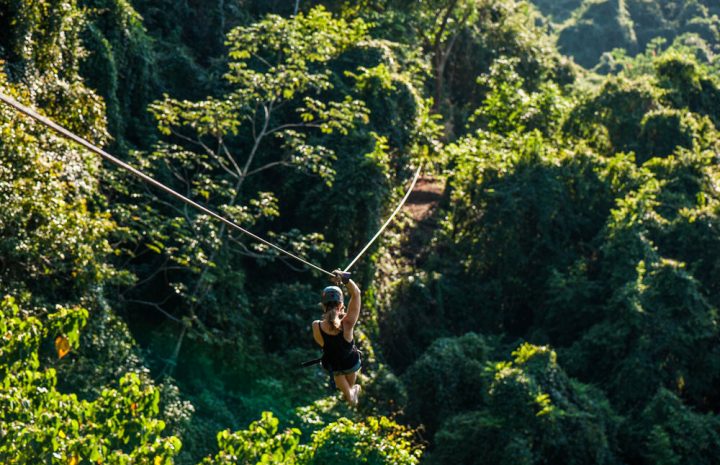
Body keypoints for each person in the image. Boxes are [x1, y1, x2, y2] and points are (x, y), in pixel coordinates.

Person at [312, 270, 362, 406]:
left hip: (334, 367)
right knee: (350, 390)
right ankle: (352, 394)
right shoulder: (347, 324)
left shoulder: (316, 326)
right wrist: (345, 278)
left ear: (323, 306)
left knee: (348, 391)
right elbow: (356, 293)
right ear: (341, 305)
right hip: (351, 364)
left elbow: (323, 344)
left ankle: (351, 395)